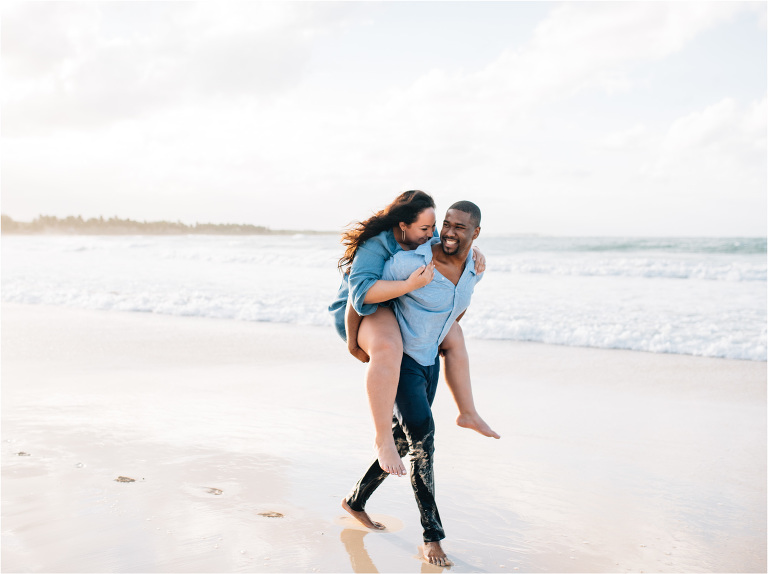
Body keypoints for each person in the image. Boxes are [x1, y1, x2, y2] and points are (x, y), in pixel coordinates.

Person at [342, 201, 487, 566]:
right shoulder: (410, 263)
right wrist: (354, 342)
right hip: (403, 362)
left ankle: (355, 501)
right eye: (446, 224)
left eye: (459, 227)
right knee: (424, 441)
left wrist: (441, 333)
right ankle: (432, 537)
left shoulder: (474, 267)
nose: (448, 232)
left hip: (429, 362)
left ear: (475, 234)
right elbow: (359, 293)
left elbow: (457, 307)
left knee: (406, 440)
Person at [329, 191, 498, 477]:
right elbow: (358, 297)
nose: (433, 235)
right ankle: (383, 438)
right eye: (426, 229)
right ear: (404, 226)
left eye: (434, 227)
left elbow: (451, 244)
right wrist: (353, 344)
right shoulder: (377, 244)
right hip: (362, 308)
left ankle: (467, 412)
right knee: (388, 346)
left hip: (396, 300)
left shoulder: (424, 238)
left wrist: (473, 250)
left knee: (455, 335)